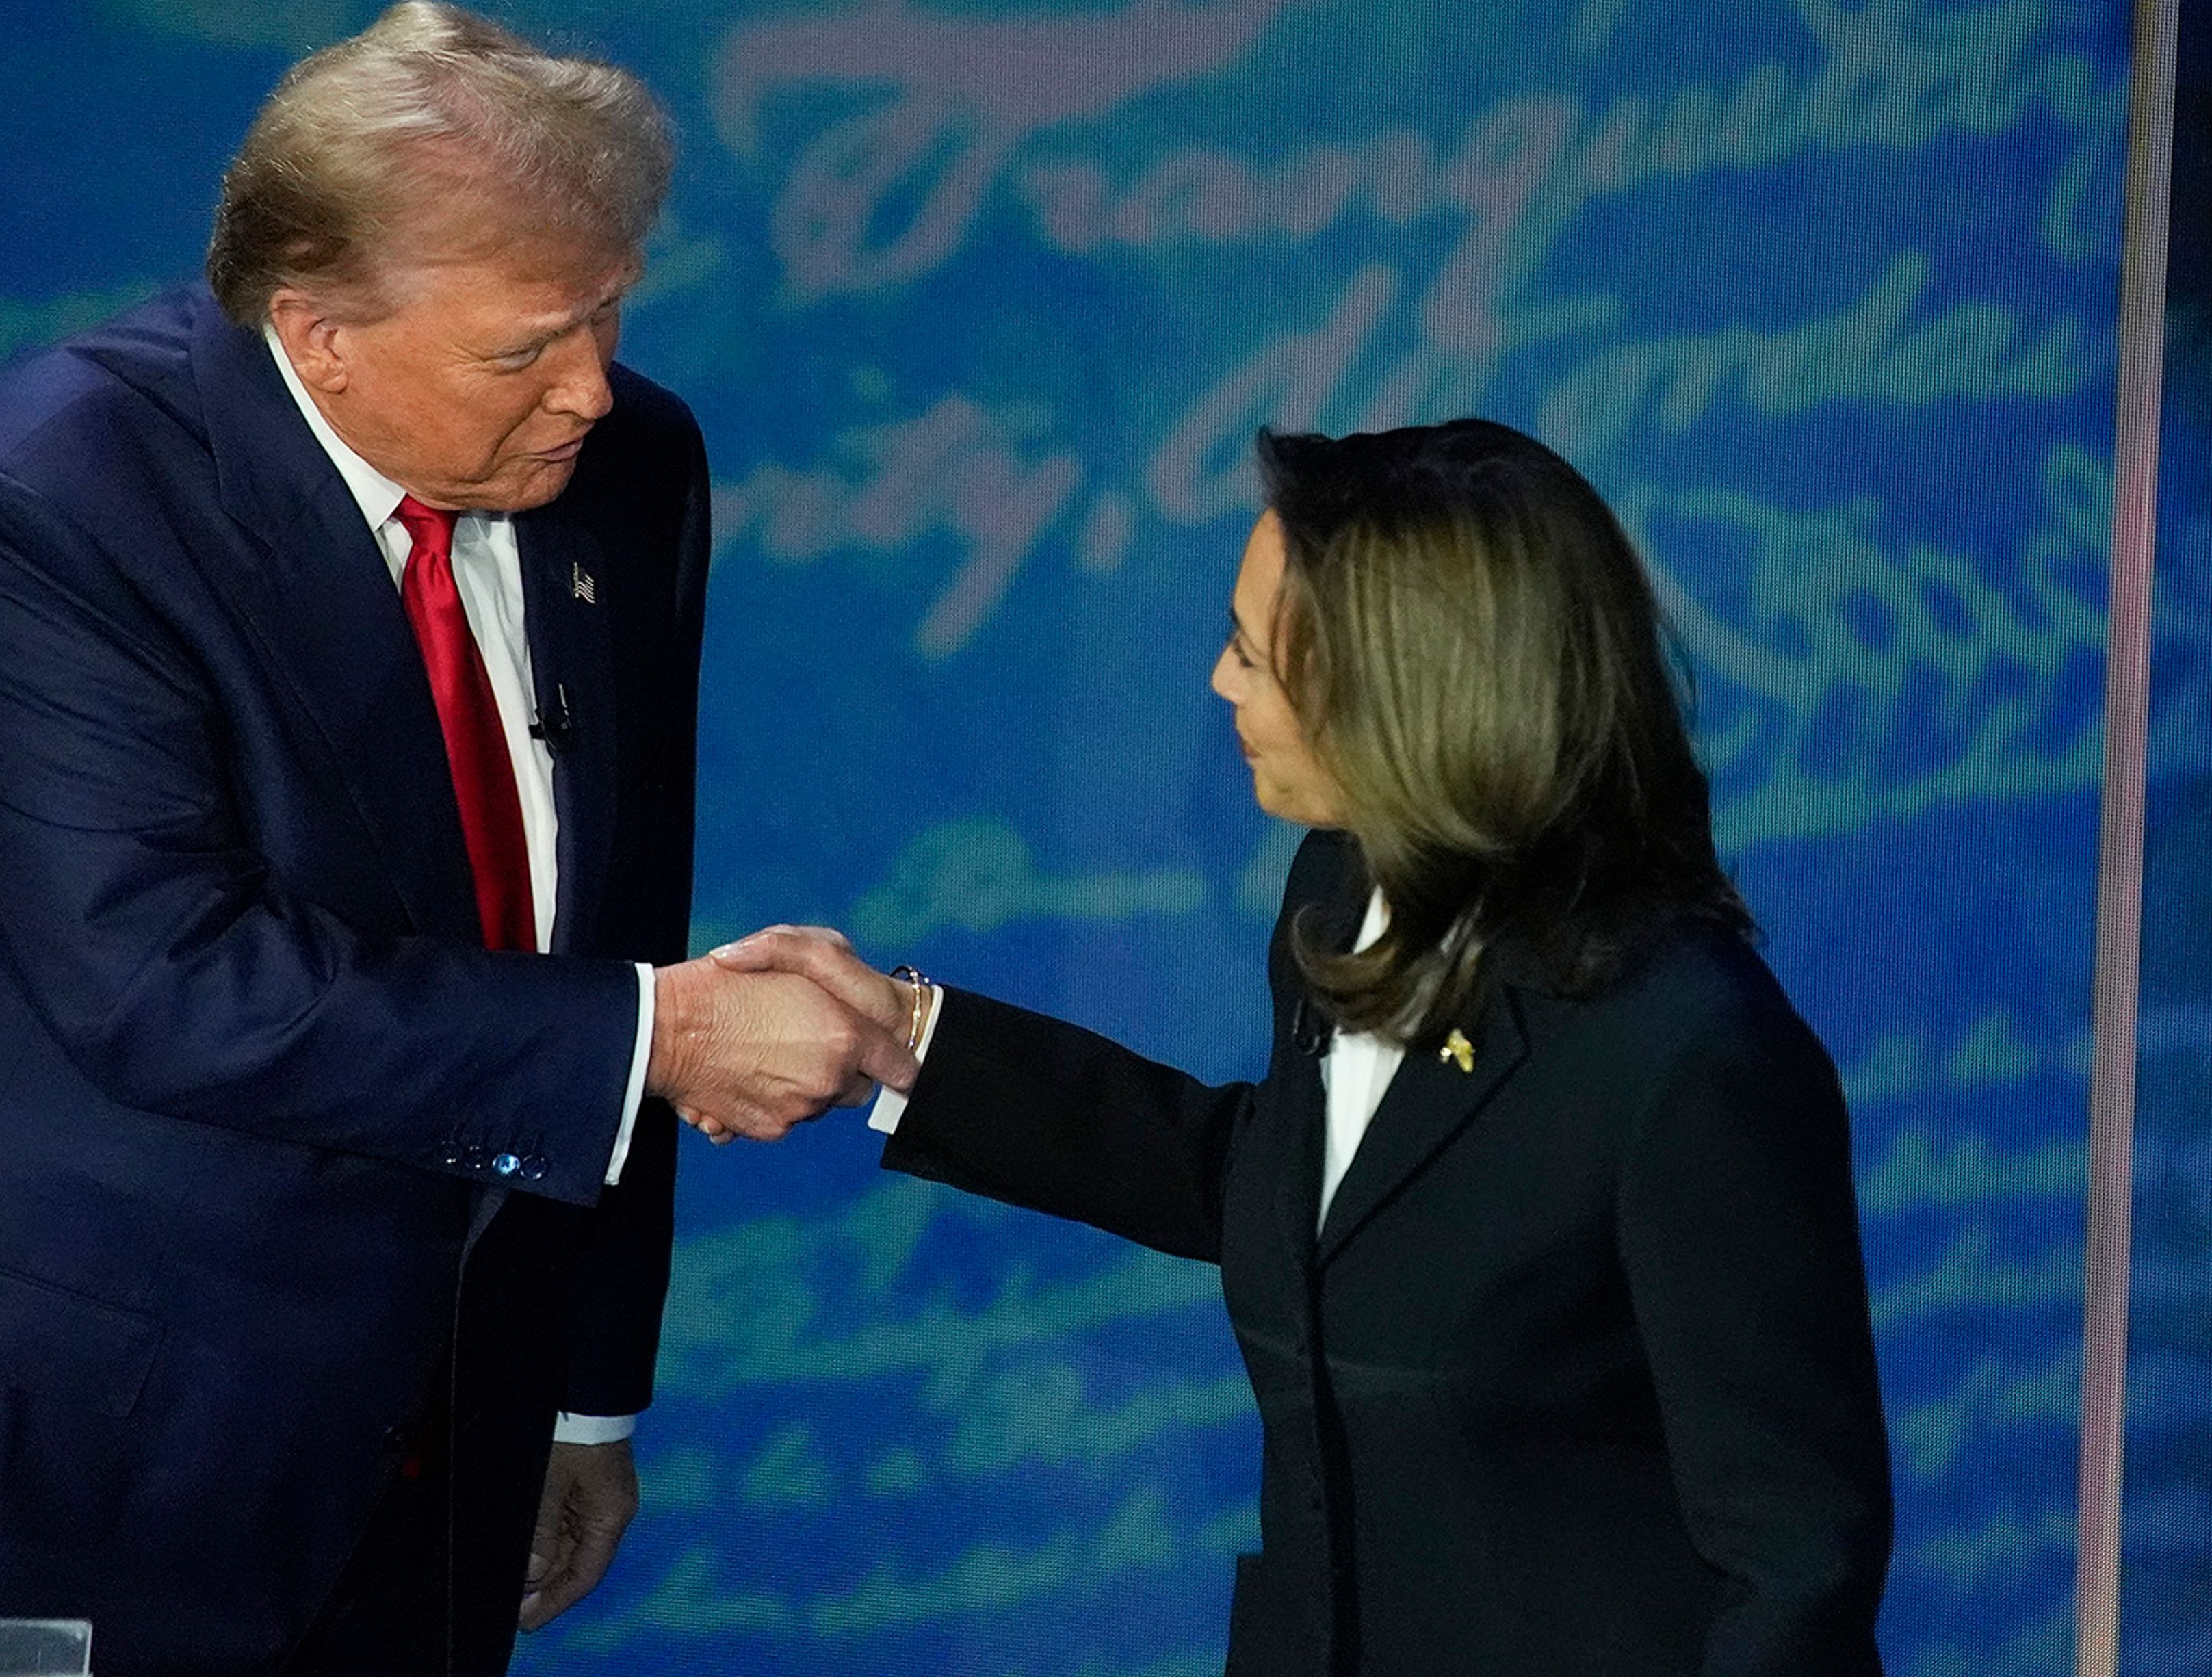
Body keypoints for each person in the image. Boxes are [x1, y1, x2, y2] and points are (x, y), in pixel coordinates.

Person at [0, 0, 913, 1677]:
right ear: (314, 334)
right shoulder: (50, 497)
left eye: (606, 312)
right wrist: (668, 1037)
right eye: (527, 347)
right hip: (31, 1426)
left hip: (432, 1433)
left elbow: (615, 909)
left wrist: (585, 1384)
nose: (592, 387)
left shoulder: (631, 465)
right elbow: (165, 978)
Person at [722, 421, 1895, 1676]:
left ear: (1409, 699)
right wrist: (912, 1044)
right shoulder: (1339, 888)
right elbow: (1304, 1196)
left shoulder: (1691, 1057)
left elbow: (1795, 1566)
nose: (1223, 686)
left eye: (1251, 653)